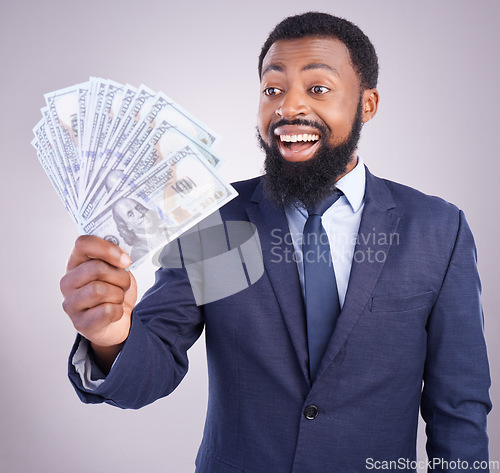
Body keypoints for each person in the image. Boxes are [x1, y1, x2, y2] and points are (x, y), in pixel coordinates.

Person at [60, 12, 491, 472]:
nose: (289, 108)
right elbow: (152, 368)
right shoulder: (216, 223)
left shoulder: (435, 229)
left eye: (318, 89)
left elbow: (458, 408)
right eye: (273, 90)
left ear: (367, 104)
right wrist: (110, 336)